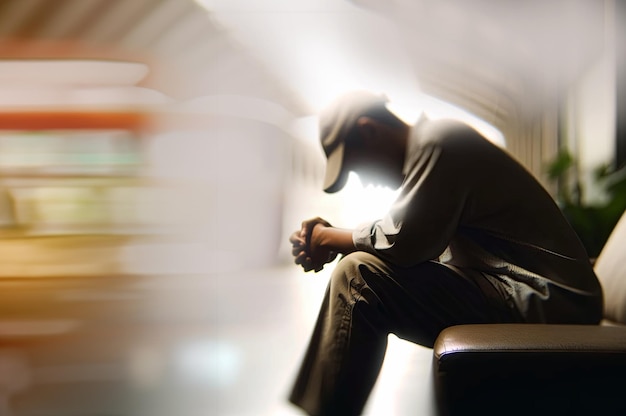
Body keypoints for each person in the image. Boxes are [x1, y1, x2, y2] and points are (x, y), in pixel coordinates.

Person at [287, 91, 603, 416]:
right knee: (360, 267)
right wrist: (330, 238)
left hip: (549, 302)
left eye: (356, 168)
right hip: (533, 296)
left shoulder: (439, 143)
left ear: (369, 131)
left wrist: (327, 239)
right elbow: (411, 238)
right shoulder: (435, 145)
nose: (364, 183)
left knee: (358, 277)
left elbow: (406, 242)